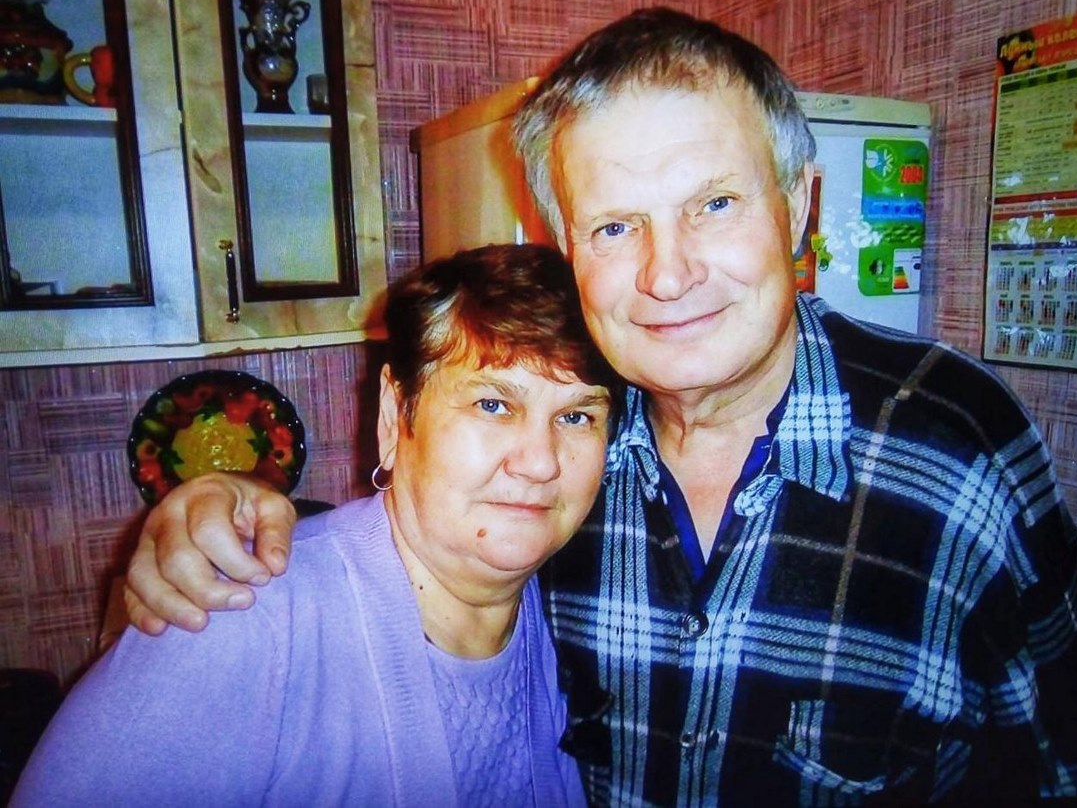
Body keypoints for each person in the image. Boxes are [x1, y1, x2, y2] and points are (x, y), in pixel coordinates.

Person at [120, 8, 1077, 805]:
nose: (666, 274)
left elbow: (1067, 772)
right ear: (569, 250)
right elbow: (410, 570)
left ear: (800, 205)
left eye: (714, 204)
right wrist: (227, 512)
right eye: (613, 226)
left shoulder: (958, 448)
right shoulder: (561, 454)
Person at [13, 243, 624, 807]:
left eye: (577, 417)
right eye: (493, 404)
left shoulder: (577, 615)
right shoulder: (238, 615)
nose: (540, 462)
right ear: (395, 416)